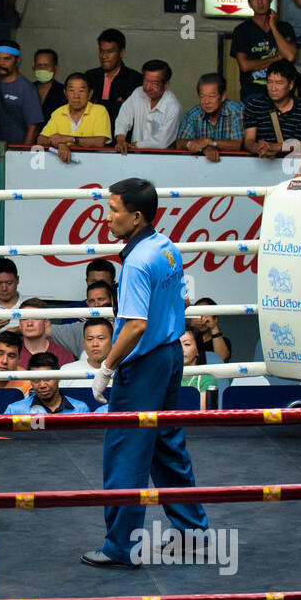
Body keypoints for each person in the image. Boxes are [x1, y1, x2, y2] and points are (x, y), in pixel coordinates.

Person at [81, 178, 209, 570]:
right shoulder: (166, 247)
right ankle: (192, 534)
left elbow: (134, 325)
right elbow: (175, 303)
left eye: (114, 210)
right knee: (167, 445)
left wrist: (105, 367)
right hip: (170, 355)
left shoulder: (137, 261)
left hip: (146, 362)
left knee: (125, 452)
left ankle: (121, 546)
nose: (107, 217)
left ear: (136, 217)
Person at [231, 0, 298, 100]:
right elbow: (245, 66)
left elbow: (290, 56)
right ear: (249, 3)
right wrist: (275, 58)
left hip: (282, 93)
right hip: (253, 93)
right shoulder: (242, 30)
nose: (260, 2)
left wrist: (273, 26)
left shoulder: (284, 27)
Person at [242, 60, 301, 157]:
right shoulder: (254, 106)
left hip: (293, 166)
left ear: (290, 85)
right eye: (269, 82)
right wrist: (258, 148)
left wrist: (273, 147)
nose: (273, 88)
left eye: (279, 83)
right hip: (261, 162)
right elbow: (249, 141)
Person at [36, 72, 111, 164]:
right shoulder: (58, 112)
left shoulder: (99, 111)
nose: (76, 96)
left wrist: (70, 139)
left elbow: (100, 142)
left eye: (81, 91)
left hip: (93, 165)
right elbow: (41, 139)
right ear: (65, 93)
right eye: (71, 90)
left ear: (90, 94)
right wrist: (60, 143)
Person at [112, 59, 181, 154]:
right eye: (146, 81)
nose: (148, 87)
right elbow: (123, 119)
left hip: (161, 160)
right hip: (136, 157)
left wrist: (135, 145)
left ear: (166, 84)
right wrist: (121, 140)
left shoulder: (173, 107)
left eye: (154, 84)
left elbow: (162, 142)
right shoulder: (138, 93)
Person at [0, 39, 43, 145]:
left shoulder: (27, 88)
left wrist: (22, 153)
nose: (1, 63)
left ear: (18, 60)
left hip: (16, 150)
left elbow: (33, 127)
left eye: (7, 59)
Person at [176, 72, 243, 163]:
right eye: (202, 96)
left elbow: (237, 145)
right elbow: (180, 143)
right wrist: (205, 147)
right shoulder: (193, 114)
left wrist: (209, 141)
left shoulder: (236, 110)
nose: (206, 101)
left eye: (211, 96)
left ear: (223, 96)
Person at [82, 28, 142, 126]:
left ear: (122, 52)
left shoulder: (135, 80)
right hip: (91, 135)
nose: (104, 56)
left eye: (110, 51)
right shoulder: (90, 76)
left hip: (122, 137)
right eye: (101, 51)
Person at [3, 352, 90, 415]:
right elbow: (3, 439)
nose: (42, 385)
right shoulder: (16, 411)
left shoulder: (80, 409)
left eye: (47, 379)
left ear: (58, 377)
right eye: (36, 380)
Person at [14, 297, 75, 367]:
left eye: (35, 318)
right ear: (20, 324)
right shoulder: (11, 353)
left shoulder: (63, 355)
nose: (29, 323)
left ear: (46, 322)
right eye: (24, 318)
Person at [62, 317, 115, 388]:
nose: (95, 344)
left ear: (112, 341)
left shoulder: (124, 371)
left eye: (101, 338)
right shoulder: (67, 371)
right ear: (84, 343)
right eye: (90, 339)